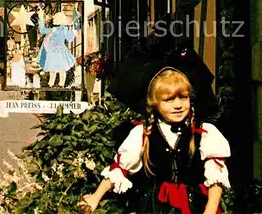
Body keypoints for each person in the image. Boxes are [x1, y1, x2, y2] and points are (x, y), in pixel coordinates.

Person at [78, 46, 231, 214]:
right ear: (155, 104)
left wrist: (209, 210)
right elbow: (121, 168)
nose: (178, 105)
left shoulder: (203, 133)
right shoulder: (143, 134)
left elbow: (216, 179)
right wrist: (95, 196)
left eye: (183, 97)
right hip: (155, 206)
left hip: (195, 206)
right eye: (169, 100)